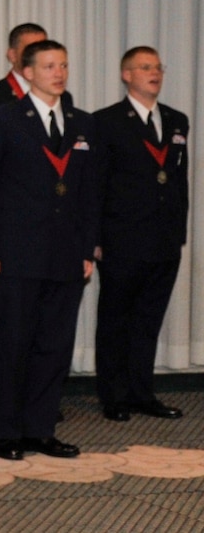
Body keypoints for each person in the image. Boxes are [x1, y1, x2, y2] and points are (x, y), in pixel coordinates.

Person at [0, 39, 95, 461]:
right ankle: (9, 433)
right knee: (14, 345)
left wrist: (87, 249)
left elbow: (88, 193)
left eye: (63, 65)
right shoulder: (2, 118)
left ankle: (41, 430)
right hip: (16, 253)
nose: (59, 73)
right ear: (27, 72)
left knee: (54, 347)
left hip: (65, 254)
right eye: (49, 66)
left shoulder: (81, 123)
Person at [92, 46, 188, 423]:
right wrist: (95, 237)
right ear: (126, 75)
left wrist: (179, 230)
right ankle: (114, 395)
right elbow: (96, 184)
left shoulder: (176, 120)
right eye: (145, 67)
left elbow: (178, 180)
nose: (155, 73)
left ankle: (141, 392)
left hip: (164, 237)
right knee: (116, 318)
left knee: (149, 319)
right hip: (122, 237)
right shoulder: (106, 122)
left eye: (158, 67)